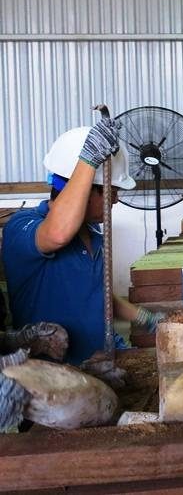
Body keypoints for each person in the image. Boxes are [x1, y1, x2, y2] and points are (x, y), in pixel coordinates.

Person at [1, 123, 163, 366]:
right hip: (55, 379)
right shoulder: (21, 227)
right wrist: (88, 160)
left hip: (104, 360)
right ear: (83, 190)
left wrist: (147, 319)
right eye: (110, 192)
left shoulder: (94, 235)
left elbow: (99, 296)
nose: (115, 201)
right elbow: (56, 235)